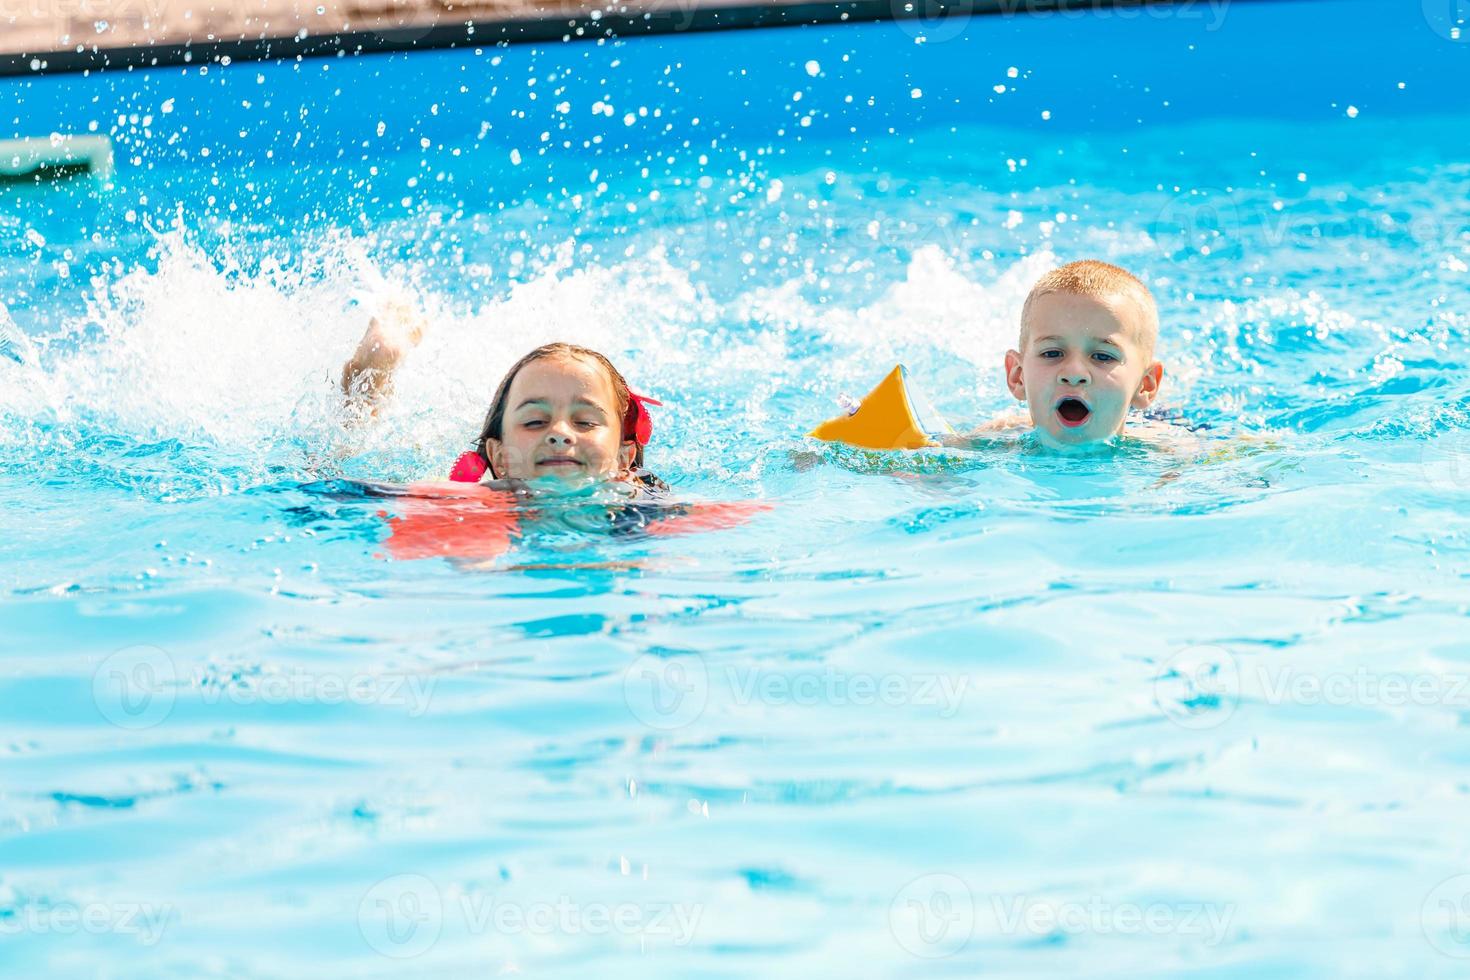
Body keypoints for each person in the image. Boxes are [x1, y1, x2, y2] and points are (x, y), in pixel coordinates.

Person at [950, 259, 1172, 452]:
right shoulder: (993, 441)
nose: (1074, 373)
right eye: (1052, 353)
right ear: (1018, 376)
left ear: (1146, 385)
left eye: (1103, 357)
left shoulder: (1166, 455)